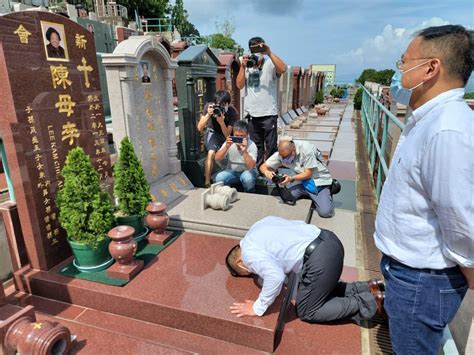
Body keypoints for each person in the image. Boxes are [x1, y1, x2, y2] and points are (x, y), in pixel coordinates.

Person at [374, 25, 473, 354]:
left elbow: (461, 220)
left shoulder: (447, 130)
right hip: (409, 273)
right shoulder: (427, 119)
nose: (399, 70)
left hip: (421, 281)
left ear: (431, 68)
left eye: (404, 62)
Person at [226, 216, 385, 322]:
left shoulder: (248, 254)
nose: (253, 272)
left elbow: (275, 278)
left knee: (307, 311)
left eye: (248, 272)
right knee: (318, 291)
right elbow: (287, 252)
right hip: (329, 241)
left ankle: (372, 301)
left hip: (320, 259)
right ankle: (371, 286)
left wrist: (257, 307)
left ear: (240, 262)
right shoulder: (257, 227)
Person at [236, 37, 286, 168]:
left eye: (259, 48)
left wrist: (268, 52)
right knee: (256, 146)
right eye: (254, 49)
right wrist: (242, 66)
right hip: (252, 114)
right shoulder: (247, 66)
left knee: (270, 146)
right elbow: (239, 85)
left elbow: (283, 68)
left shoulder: (270, 64)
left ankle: (270, 171)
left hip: (269, 114)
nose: (257, 53)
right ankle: (258, 170)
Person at [260, 137, 334, 218]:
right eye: (282, 157)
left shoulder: (306, 149)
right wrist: (267, 172)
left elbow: (308, 173)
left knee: (325, 212)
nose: (284, 160)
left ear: (294, 150)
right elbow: (263, 166)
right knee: (286, 198)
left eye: (287, 157)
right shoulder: (281, 154)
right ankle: (307, 195)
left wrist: (291, 178)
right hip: (301, 182)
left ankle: (328, 190)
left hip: (318, 181)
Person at [197, 90, 238, 187]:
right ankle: (207, 181)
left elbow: (227, 135)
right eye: (218, 104)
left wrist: (222, 122)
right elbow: (199, 128)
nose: (220, 107)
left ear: (228, 103)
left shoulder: (232, 112)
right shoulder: (209, 107)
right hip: (213, 132)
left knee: (230, 154)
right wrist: (208, 115)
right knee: (211, 152)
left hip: (225, 134)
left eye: (223, 105)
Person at [214, 120, 258, 192]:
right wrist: (226, 147)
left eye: (242, 136)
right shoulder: (229, 142)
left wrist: (244, 151)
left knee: (248, 178)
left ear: (247, 135)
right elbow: (217, 158)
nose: (239, 139)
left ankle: (250, 194)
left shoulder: (252, 145)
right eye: (236, 136)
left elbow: (251, 166)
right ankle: (226, 193)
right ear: (233, 134)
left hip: (248, 171)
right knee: (219, 177)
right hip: (232, 171)